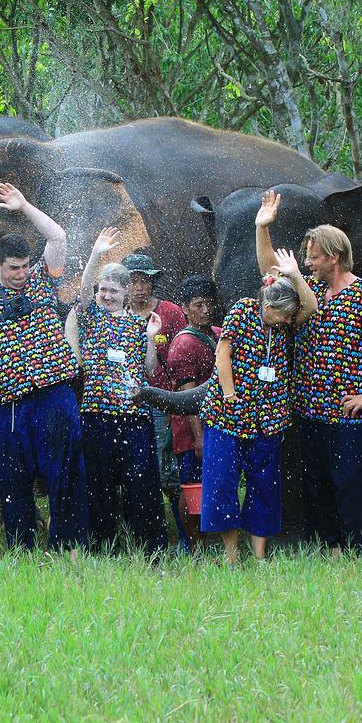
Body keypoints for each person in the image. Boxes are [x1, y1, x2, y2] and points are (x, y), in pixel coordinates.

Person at [255, 189, 362, 554]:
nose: (308, 263)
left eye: (314, 257)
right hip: (309, 409)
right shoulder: (310, 291)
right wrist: (263, 228)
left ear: (335, 258)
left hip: (349, 410)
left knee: (351, 482)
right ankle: (331, 549)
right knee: (317, 484)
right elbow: (270, 268)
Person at [0, 183, 88, 553]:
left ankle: (69, 544)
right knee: (14, 478)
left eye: (25, 266)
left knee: (65, 470)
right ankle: (22, 547)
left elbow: (58, 236)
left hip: (55, 391)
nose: (21, 274)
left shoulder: (43, 281)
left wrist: (25, 206)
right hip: (10, 401)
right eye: (13, 268)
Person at [200, 253, 316, 564]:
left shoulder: (285, 326)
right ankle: (231, 554)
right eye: (284, 316)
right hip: (227, 415)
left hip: (269, 419)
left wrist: (293, 274)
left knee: (265, 487)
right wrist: (229, 393)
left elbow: (311, 307)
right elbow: (223, 353)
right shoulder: (242, 311)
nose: (289, 321)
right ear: (268, 308)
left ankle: (260, 555)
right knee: (222, 482)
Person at [69, 227, 166, 555]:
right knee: (98, 488)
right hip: (96, 416)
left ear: (126, 293)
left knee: (142, 487)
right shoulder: (92, 316)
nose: (106, 296)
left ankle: (148, 549)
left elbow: (151, 370)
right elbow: (82, 293)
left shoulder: (141, 325)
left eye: (113, 291)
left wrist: (152, 337)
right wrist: (96, 254)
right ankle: (102, 549)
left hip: (135, 417)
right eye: (103, 290)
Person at [122, 251, 188, 544]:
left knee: (166, 465)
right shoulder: (117, 311)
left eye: (144, 281)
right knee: (133, 467)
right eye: (133, 281)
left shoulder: (170, 313)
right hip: (125, 401)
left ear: (152, 283)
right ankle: (137, 532)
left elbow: (181, 358)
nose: (139, 287)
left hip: (162, 401)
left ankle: (179, 533)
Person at [165, 274, 222, 552]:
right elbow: (188, 398)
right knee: (191, 488)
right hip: (191, 432)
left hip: (213, 426)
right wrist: (198, 438)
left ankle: (202, 540)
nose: (205, 309)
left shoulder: (215, 333)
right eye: (198, 304)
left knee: (207, 485)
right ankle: (191, 545)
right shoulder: (184, 344)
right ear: (184, 308)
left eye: (209, 303)